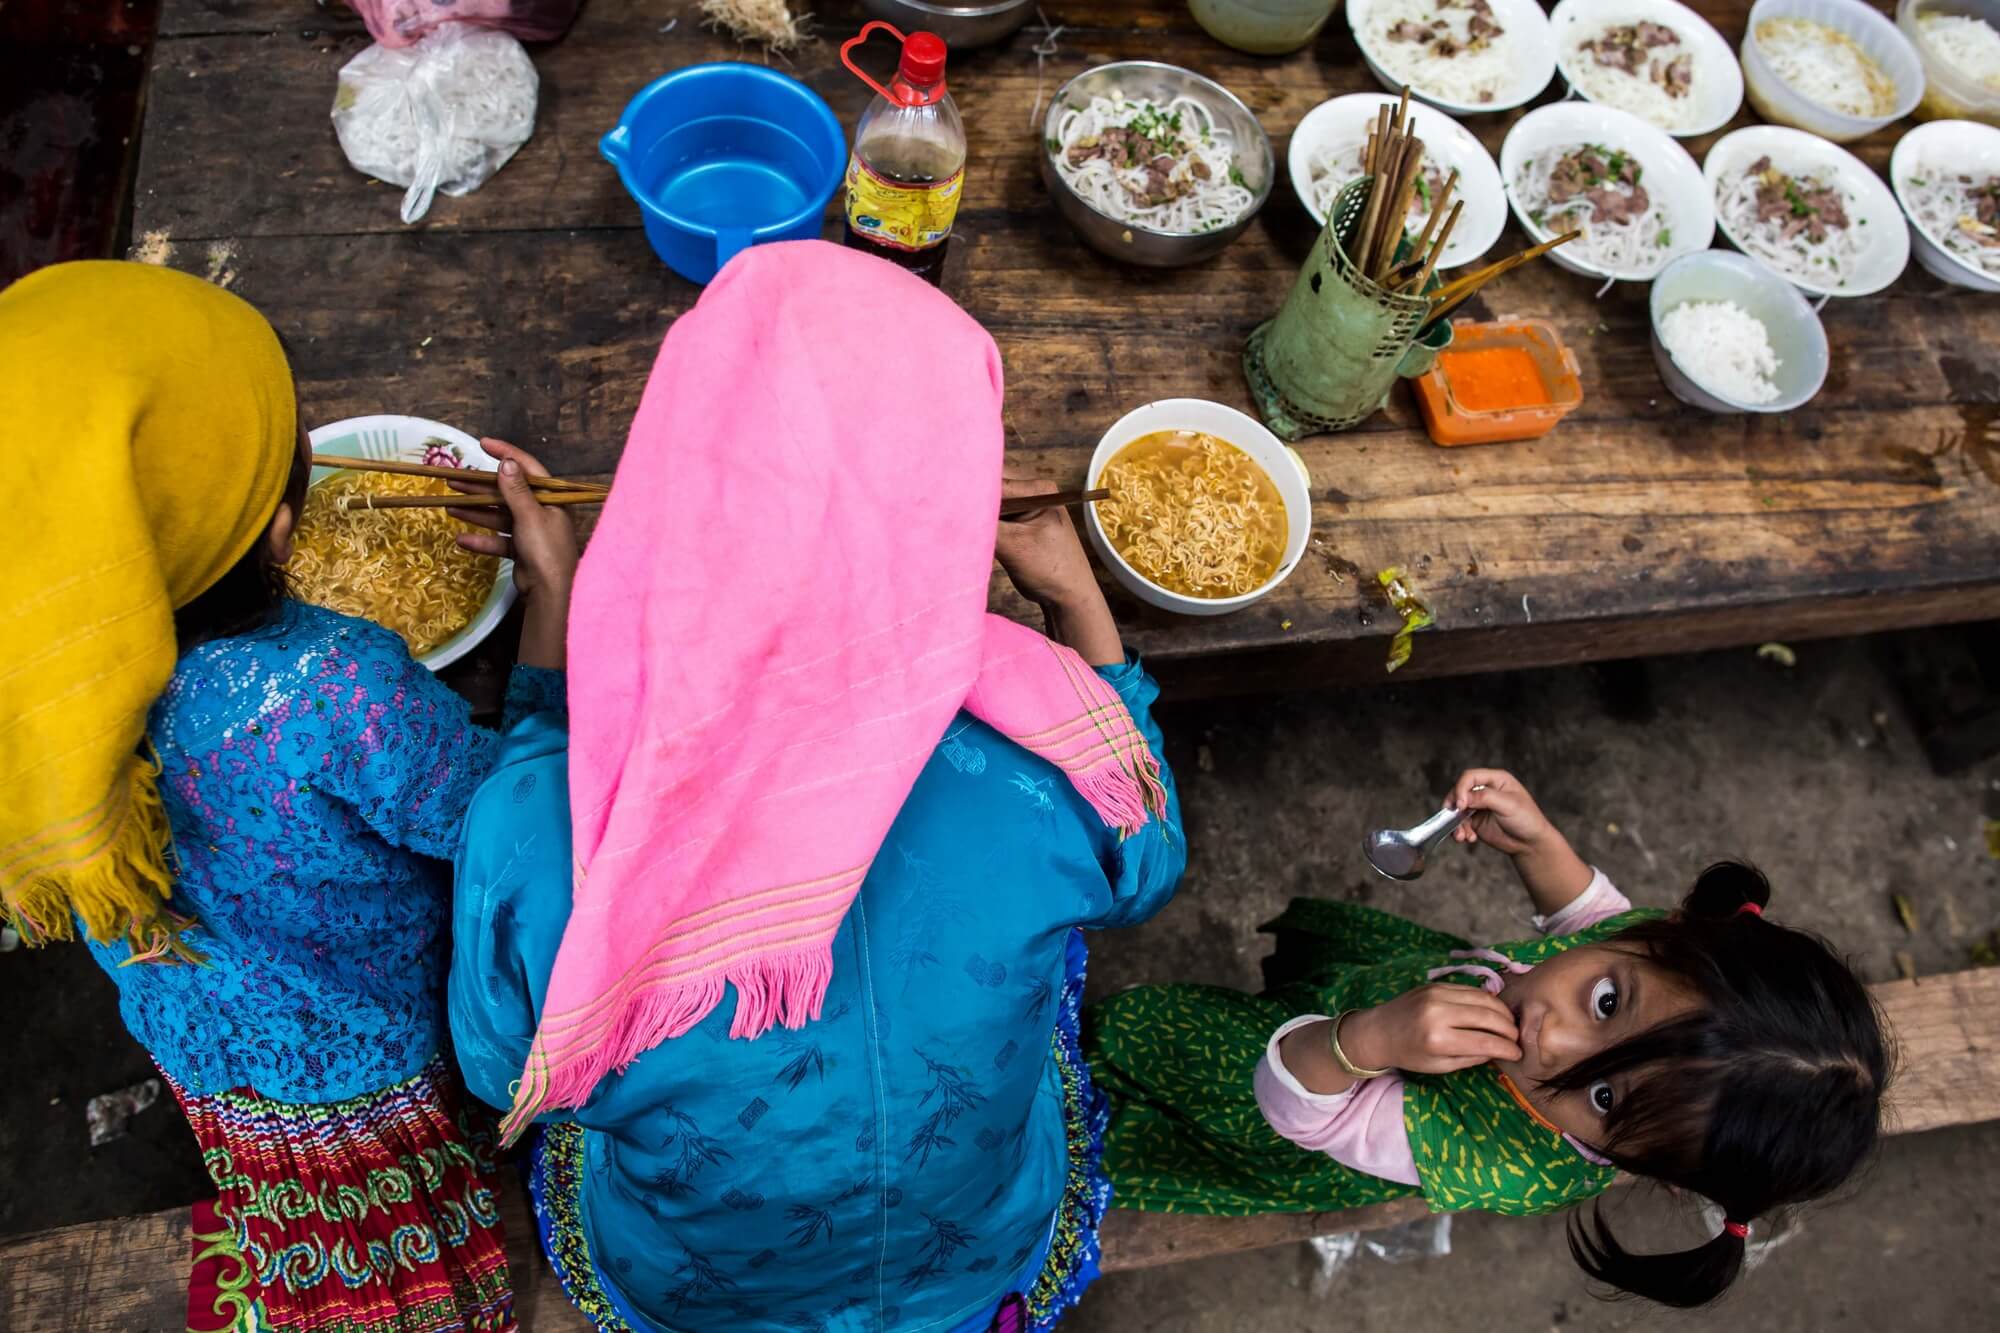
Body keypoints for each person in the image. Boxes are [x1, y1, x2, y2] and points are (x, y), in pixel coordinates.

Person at [447, 240, 1187, 1332]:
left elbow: (503, 1061)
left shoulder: (530, 825)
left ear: (678, 476)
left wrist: (554, 594)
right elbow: (1148, 860)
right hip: (977, 1256)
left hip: (700, 1291)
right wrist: (1076, 601)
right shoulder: (1051, 757)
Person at [0, 260, 580, 1333]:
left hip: (200, 1043)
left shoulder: (25, 682)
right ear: (280, 533)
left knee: (307, 1214)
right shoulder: (327, 684)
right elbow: (501, 817)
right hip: (370, 1049)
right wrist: (550, 599)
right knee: (403, 1236)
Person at [1087, 767, 1889, 1309]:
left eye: (1605, 1097)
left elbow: (1296, 1111)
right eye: (1606, 1000)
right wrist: (1539, 843)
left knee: (1134, 1065)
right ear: (1678, 935)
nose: (1554, 1038)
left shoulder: (1495, 1156)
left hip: (1284, 1096)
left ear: (1655, 1168)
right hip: (1372, 1010)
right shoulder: (1663, 963)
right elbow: (1596, 917)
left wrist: (1367, 1040)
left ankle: (1083, 1074)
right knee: (1301, 1000)